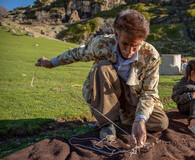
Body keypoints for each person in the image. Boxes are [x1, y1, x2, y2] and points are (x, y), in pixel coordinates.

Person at [35, 9, 169, 147]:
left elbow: (149, 92)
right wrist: (51, 63)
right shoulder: (101, 44)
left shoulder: (151, 55)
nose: (129, 51)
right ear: (117, 35)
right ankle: (107, 123)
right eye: (125, 44)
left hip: (134, 97)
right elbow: (77, 53)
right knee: (103, 67)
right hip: (108, 91)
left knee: (161, 122)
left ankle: (124, 116)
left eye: (135, 46)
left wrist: (140, 120)